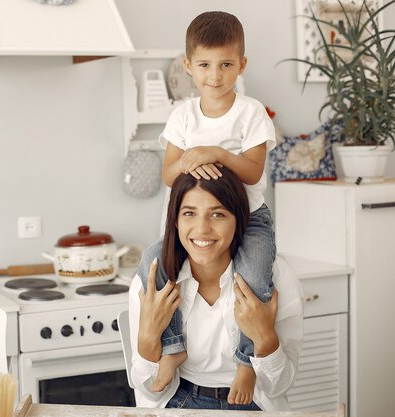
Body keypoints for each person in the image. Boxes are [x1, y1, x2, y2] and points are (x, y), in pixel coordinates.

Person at [140, 11, 277, 404]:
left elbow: (252, 173)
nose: (214, 75)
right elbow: (168, 175)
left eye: (226, 65)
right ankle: (173, 347)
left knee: (254, 277)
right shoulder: (183, 116)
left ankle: (247, 361)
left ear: (241, 65)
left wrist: (217, 153)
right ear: (188, 66)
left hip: (249, 220)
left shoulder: (251, 113)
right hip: (194, 225)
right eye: (204, 65)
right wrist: (185, 160)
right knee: (152, 266)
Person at [129, 169, 303, 411]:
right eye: (189, 213)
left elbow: (279, 386)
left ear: (239, 219)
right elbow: (148, 388)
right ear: (175, 220)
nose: (202, 229)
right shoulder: (151, 281)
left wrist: (264, 338)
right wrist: (148, 337)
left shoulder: (275, 275)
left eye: (218, 214)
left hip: (255, 402)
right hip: (180, 401)